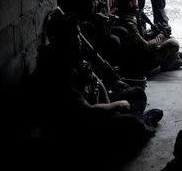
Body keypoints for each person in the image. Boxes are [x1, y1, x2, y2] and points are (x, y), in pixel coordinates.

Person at [28, 12, 163, 167]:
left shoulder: (70, 55)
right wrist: (115, 106)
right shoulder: (56, 72)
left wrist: (109, 104)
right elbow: (88, 111)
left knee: (138, 93)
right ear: (64, 39)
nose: (80, 38)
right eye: (76, 34)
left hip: (97, 105)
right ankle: (142, 124)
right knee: (134, 124)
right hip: (80, 126)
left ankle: (127, 125)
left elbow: (95, 79)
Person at [115, 0, 182, 76]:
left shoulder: (123, 16)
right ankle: (170, 61)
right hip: (141, 62)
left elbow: (141, 36)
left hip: (137, 54)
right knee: (173, 43)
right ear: (130, 3)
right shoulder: (129, 24)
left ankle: (173, 57)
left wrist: (155, 32)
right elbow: (146, 46)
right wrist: (161, 36)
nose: (137, 0)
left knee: (168, 38)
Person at [76, 0, 127, 65]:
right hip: (90, 32)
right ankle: (108, 67)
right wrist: (97, 18)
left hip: (101, 27)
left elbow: (101, 11)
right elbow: (82, 19)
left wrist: (108, 17)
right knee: (115, 41)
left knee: (123, 31)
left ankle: (121, 66)